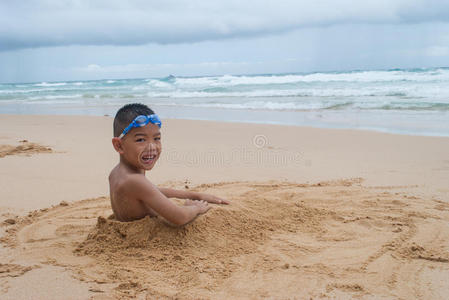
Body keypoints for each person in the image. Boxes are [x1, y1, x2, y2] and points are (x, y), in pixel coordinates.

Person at [109, 103, 229, 225]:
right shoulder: (134, 180)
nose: (152, 147)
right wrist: (196, 207)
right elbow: (180, 217)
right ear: (119, 145)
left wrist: (196, 195)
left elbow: (152, 191)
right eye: (140, 140)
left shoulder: (117, 173)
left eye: (156, 138)